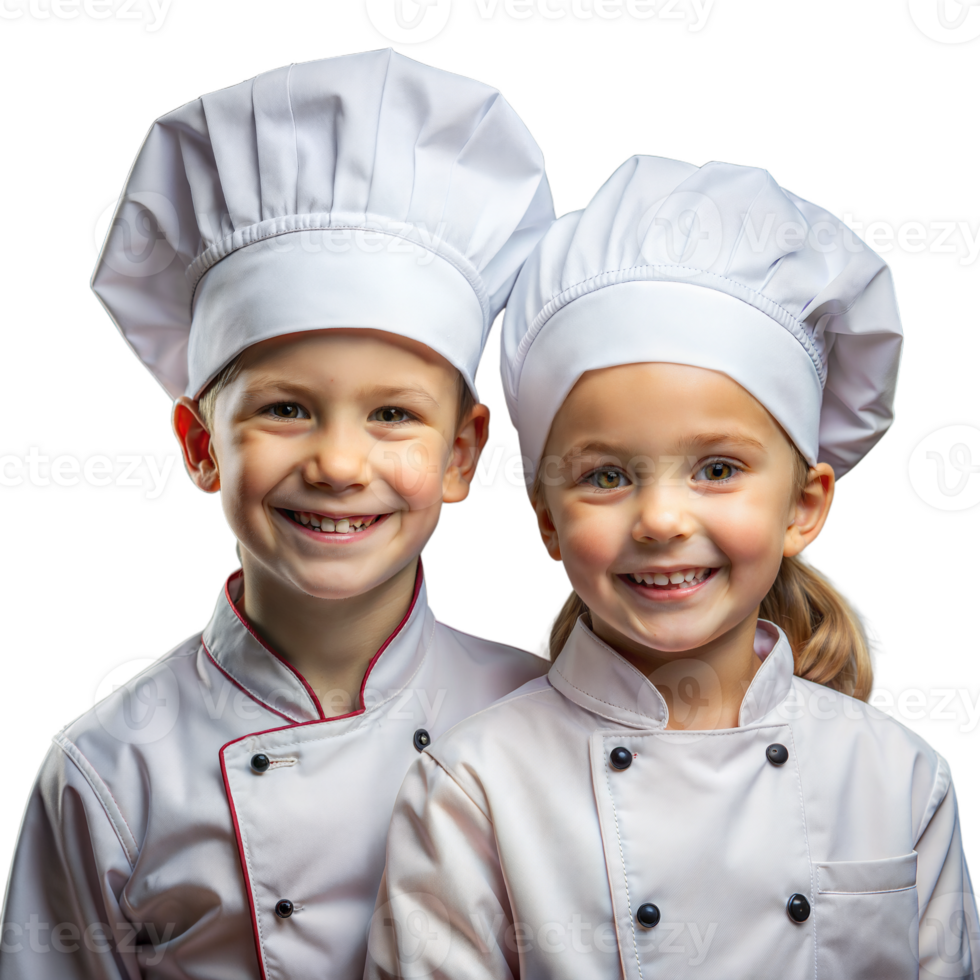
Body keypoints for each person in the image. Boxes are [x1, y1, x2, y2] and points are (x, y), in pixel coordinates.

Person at [0, 49, 555, 979]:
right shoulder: (104, 770)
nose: (339, 464)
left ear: (463, 451)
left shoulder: (546, 710)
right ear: (201, 442)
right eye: (285, 408)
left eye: (392, 415)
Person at [365, 155, 980, 979]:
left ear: (804, 505)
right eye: (606, 475)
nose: (660, 520)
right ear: (545, 520)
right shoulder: (472, 788)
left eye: (718, 469)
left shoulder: (896, 779)